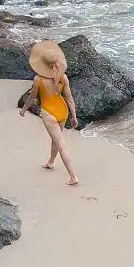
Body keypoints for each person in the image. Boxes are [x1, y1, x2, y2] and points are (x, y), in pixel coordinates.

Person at [20, 40, 80, 185]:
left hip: (49, 114)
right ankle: (51, 162)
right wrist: (74, 115)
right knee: (56, 139)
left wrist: (24, 109)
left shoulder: (38, 79)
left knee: (61, 145)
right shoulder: (63, 77)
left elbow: (33, 97)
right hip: (63, 111)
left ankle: (73, 177)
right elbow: (69, 98)